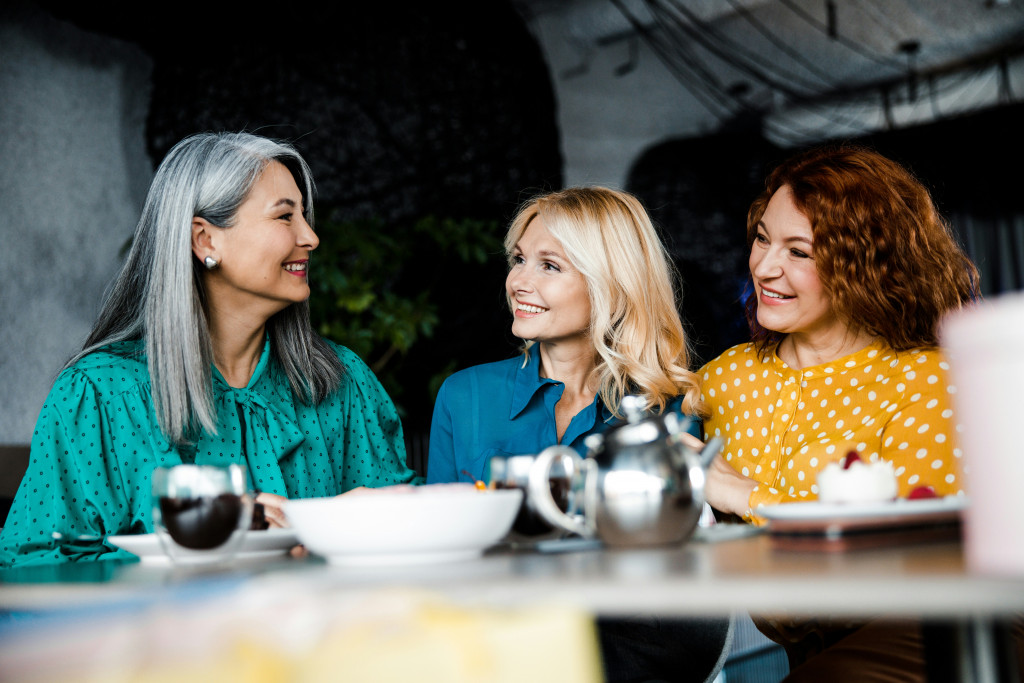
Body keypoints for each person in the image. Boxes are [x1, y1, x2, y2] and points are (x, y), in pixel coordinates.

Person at [0, 132, 420, 567]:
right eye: (284, 217)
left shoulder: (341, 382)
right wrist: (213, 538)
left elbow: (411, 542)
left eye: (305, 216)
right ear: (205, 240)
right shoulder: (97, 397)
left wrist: (338, 526)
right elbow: (35, 567)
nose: (310, 237)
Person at [699, 144, 980, 680]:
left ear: (865, 266)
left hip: (935, 629)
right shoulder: (724, 380)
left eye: (799, 252)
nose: (765, 266)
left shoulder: (925, 378)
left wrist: (745, 496)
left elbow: (919, 555)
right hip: (811, 657)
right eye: (762, 237)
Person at [428, 186, 730, 683]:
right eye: (519, 259)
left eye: (549, 266)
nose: (519, 281)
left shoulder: (670, 407)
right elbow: (440, 552)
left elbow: (681, 580)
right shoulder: (465, 396)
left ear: (609, 283)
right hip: (493, 649)